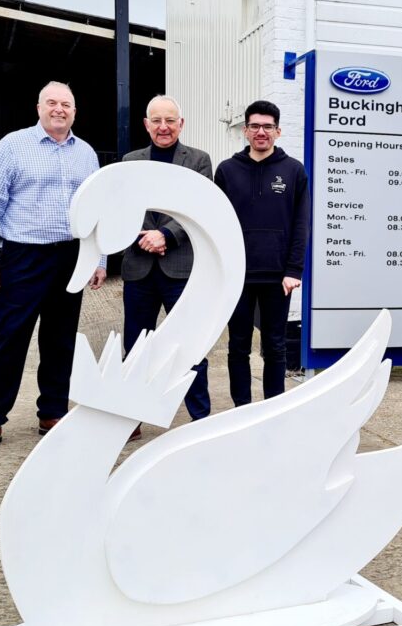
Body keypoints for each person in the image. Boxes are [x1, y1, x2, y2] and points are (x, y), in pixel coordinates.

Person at [0, 82, 106, 453]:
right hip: (23, 257)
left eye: (66, 104)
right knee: (10, 337)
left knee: (60, 340)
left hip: (71, 256)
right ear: (39, 107)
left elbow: (96, 210)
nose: (59, 109)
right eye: (52, 103)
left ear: (75, 112)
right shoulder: (12, 146)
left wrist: (99, 258)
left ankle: (52, 413)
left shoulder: (87, 154)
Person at [121, 95, 213, 439]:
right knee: (136, 346)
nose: (163, 127)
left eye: (170, 120)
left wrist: (166, 235)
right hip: (139, 269)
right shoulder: (130, 162)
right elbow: (123, 209)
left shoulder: (199, 161)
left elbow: (202, 208)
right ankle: (131, 417)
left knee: (191, 345)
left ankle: (200, 417)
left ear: (181, 124)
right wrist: (144, 236)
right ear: (146, 124)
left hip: (181, 269)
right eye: (156, 120)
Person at [214, 100, 309, 403]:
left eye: (268, 126)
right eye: (255, 126)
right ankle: (242, 411)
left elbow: (301, 224)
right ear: (245, 130)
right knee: (238, 346)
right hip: (237, 274)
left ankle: (273, 409)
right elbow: (218, 224)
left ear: (278, 131)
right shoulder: (227, 171)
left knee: (275, 346)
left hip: (278, 276)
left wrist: (294, 270)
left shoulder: (294, 171)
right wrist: (222, 270)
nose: (261, 132)